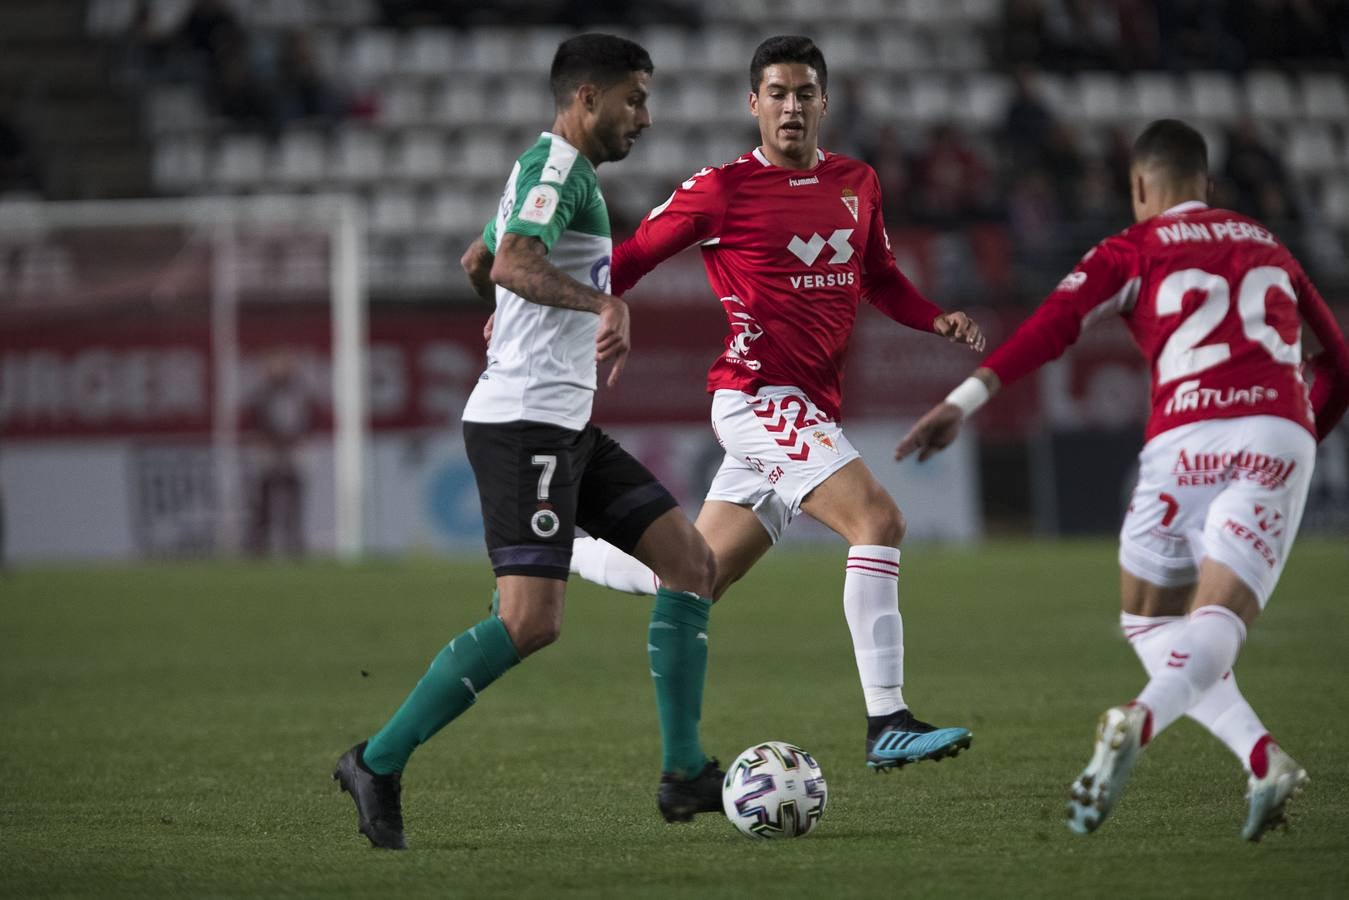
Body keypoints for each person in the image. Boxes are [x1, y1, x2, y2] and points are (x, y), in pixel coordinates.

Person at [897, 119, 1349, 840]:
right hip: (1274, 431)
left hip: (1183, 438)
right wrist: (1294, 443)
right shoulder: (1267, 243)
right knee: (1213, 622)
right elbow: (1338, 363)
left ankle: (1153, 721)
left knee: (1150, 619)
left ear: (1139, 186)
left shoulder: (1131, 247)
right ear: (1207, 186)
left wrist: (962, 401)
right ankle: (1258, 758)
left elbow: (1053, 324)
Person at [335, 34, 723, 850]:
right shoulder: (556, 169)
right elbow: (510, 261)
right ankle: (376, 761)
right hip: (524, 426)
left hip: (564, 424)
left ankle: (685, 772)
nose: (644, 117)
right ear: (587, 97)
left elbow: (479, 258)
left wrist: (512, 309)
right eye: (634, 99)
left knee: (690, 563)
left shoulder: (552, 172)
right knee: (531, 623)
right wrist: (602, 304)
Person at [562, 35, 984, 771]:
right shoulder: (720, 189)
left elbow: (879, 276)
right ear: (753, 103)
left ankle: (556, 548)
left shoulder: (857, 182)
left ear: (824, 102)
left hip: (809, 407)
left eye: (804, 94)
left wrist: (933, 317)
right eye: (778, 94)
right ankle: (887, 720)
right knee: (878, 520)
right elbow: (626, 260)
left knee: (688, 576)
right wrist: (560, 311)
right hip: (757, 397)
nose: (792, 107)